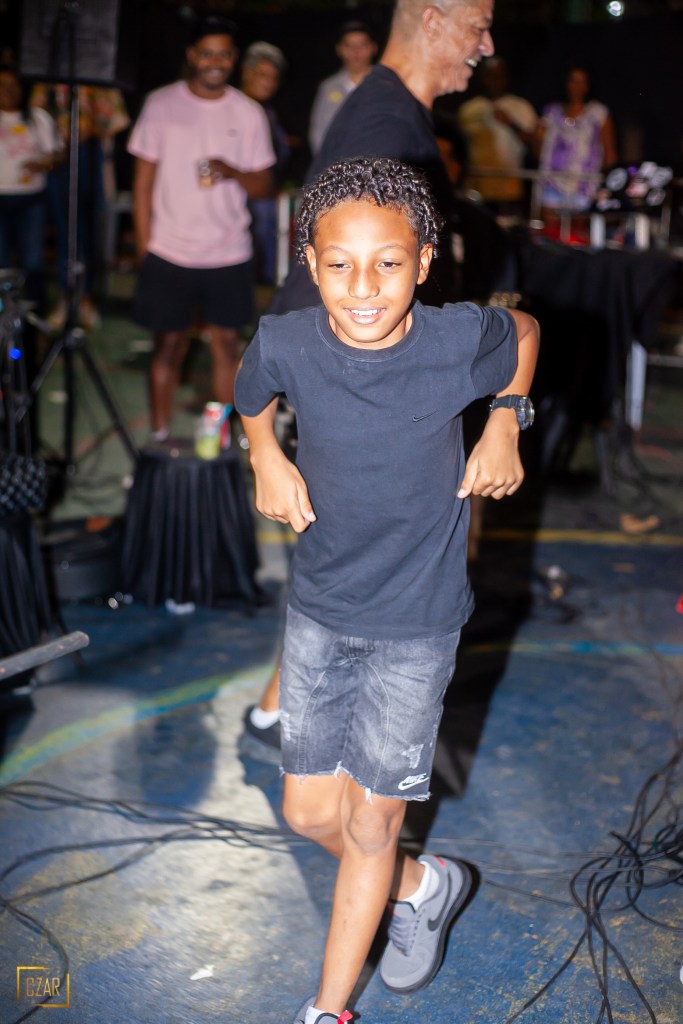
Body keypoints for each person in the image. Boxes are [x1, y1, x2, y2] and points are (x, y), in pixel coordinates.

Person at [235, 155, 540, 1024]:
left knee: (370, 825)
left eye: (388, 263)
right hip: (320, 613)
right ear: (308, 262)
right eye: (339, 264)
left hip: (417, 624)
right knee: (306, 815)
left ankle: (328, 1010)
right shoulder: (288, 340)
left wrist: (504, 420)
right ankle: (422, 885)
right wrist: (264, 456)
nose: (363, 288)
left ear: (425, 260)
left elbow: (523, 333)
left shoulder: (453, 340)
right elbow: (250, 394)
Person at [243, 0, 497, 753]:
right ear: (432, 20)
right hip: (360, 375)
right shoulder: (384, 123)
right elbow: (335, 270)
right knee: (375, 554)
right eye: (477, 24)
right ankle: (308, 715)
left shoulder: (393, 111)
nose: (486, 45)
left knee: (366, 555)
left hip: (369, 373)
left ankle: (280, 706)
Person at [127, 16, 275, 441]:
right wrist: (145, 248)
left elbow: (265, 186)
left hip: (228, 251)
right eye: (207, 53)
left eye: (224, 54)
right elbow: (142, 184)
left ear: (234, 58)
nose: (215, 62)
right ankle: (158, 438)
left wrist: (233, 170)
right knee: (168, 346)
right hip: (169, 250)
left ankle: (219, 440)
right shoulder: (161, 105)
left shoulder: (248, 112)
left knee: (225, 346)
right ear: (192, 55)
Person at [30, 81, 130, 331]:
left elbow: (118, 119)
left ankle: (87, 298)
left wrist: (89, 125)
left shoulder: (98, 77)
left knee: (89, 231)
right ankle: (66, 296)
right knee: (66, 230)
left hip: (91, 151)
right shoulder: (50, 78)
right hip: (57, 154)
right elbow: (34, 114)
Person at [0, 64, 58, 316]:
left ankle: (35, 320)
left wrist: (45, 163)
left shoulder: (37, 118)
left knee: (33, 262)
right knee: (1, 264)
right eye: (2, 85)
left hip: (31, 200)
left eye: (14, 85)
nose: (8, 91)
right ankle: (4, 321)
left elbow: (57, 154)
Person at [457, 56, 537, 213]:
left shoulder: (521, 107)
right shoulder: (468, 110)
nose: (494, 81)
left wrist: (511, 123)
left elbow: (535, 146)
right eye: (489, 76)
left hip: (510, 189)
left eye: (498, 76)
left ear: (506, 78)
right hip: (477, 190)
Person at [536, 63, 618, 217]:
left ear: (588, 86)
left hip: (584, 186)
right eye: (573, 81)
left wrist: (611, 185)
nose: (577, 86)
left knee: (579, 228)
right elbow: (538, 147)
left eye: (582, 82)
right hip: (551, 183)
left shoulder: (598, 113)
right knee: (550, 228)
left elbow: (610, 153)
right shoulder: (551, 112)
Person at [240, 41, 291, 285]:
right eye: (262, 75)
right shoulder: (234, 108)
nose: (268, 83)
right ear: (246, 73)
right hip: (244, 196)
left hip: (266, 194)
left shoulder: (267, 111)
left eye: (273, 77)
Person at [308, 21, 377, 156]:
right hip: (339, 162)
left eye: (362, 45)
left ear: (373, 48)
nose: (356, 51)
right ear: (339, 49)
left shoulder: (386, 85)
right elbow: (318, 132)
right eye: (349, 46)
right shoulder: (328, 87)